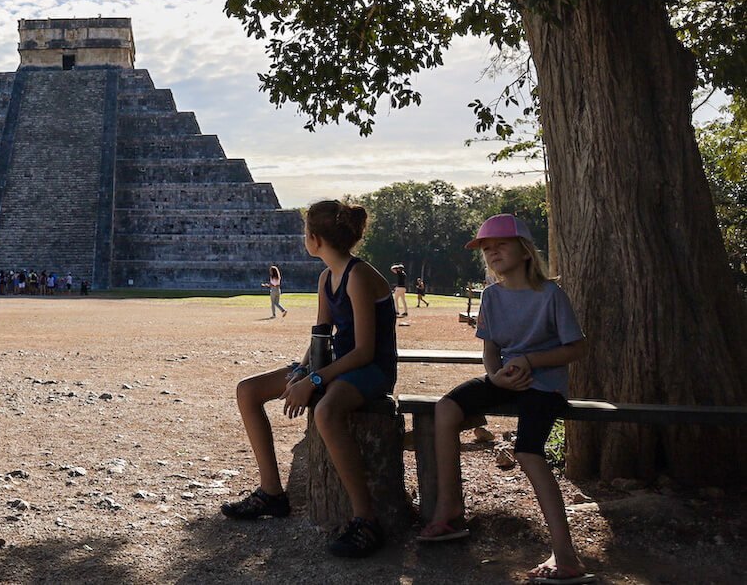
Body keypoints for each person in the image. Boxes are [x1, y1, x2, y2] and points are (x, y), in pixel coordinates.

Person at [417, 214, 591, 585]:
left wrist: (529, 361)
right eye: (486, 248)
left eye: (501, 245)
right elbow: (491, 347)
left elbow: (576, 348)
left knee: (528, 452)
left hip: (544, 384)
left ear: (525, 251)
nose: (492, 252)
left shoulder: (551, 295)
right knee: (446, 408)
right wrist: (496, 375)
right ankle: (449, 512)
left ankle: (566, 557)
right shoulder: (491, 296)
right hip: (506, 376)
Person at [222, 199, 397, 559]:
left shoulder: (358, 276)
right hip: (334, 366)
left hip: (370, 371)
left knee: (327, 413)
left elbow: (365, 351)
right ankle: (271, 492)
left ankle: (366, 519)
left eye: (305, 232)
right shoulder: (326, 277)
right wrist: (303, 371)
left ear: (314, 238)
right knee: (248, 391)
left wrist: (314, 383)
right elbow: (321, 336)